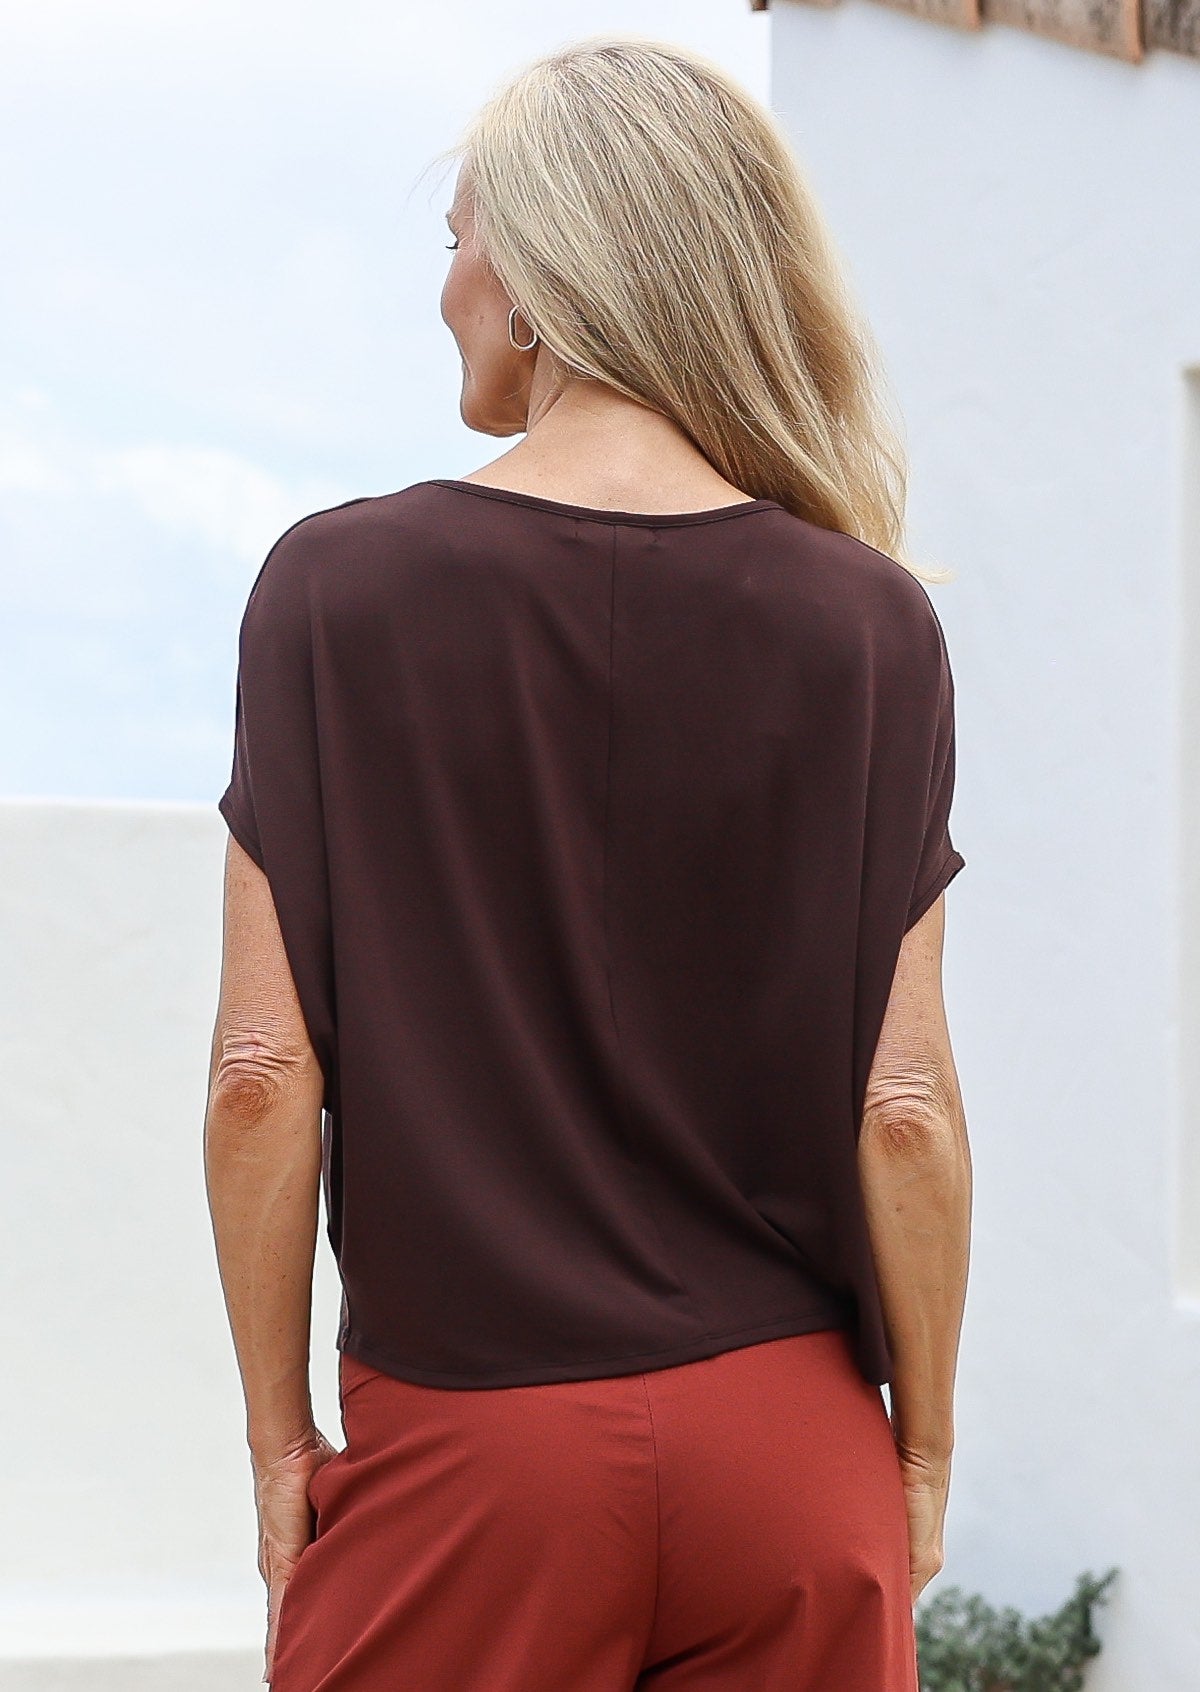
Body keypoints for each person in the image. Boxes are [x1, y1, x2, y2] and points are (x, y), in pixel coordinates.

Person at [203, 32, 972, 1692]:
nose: (446, 290)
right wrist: (916, 1454)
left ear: (547, 274)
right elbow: (904, 1110)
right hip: (795, 1459)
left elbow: (263, 1073)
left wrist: (281, 1441)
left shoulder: (337, 595)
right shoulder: (872, 627)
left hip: (469, 1457)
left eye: (462, 237)